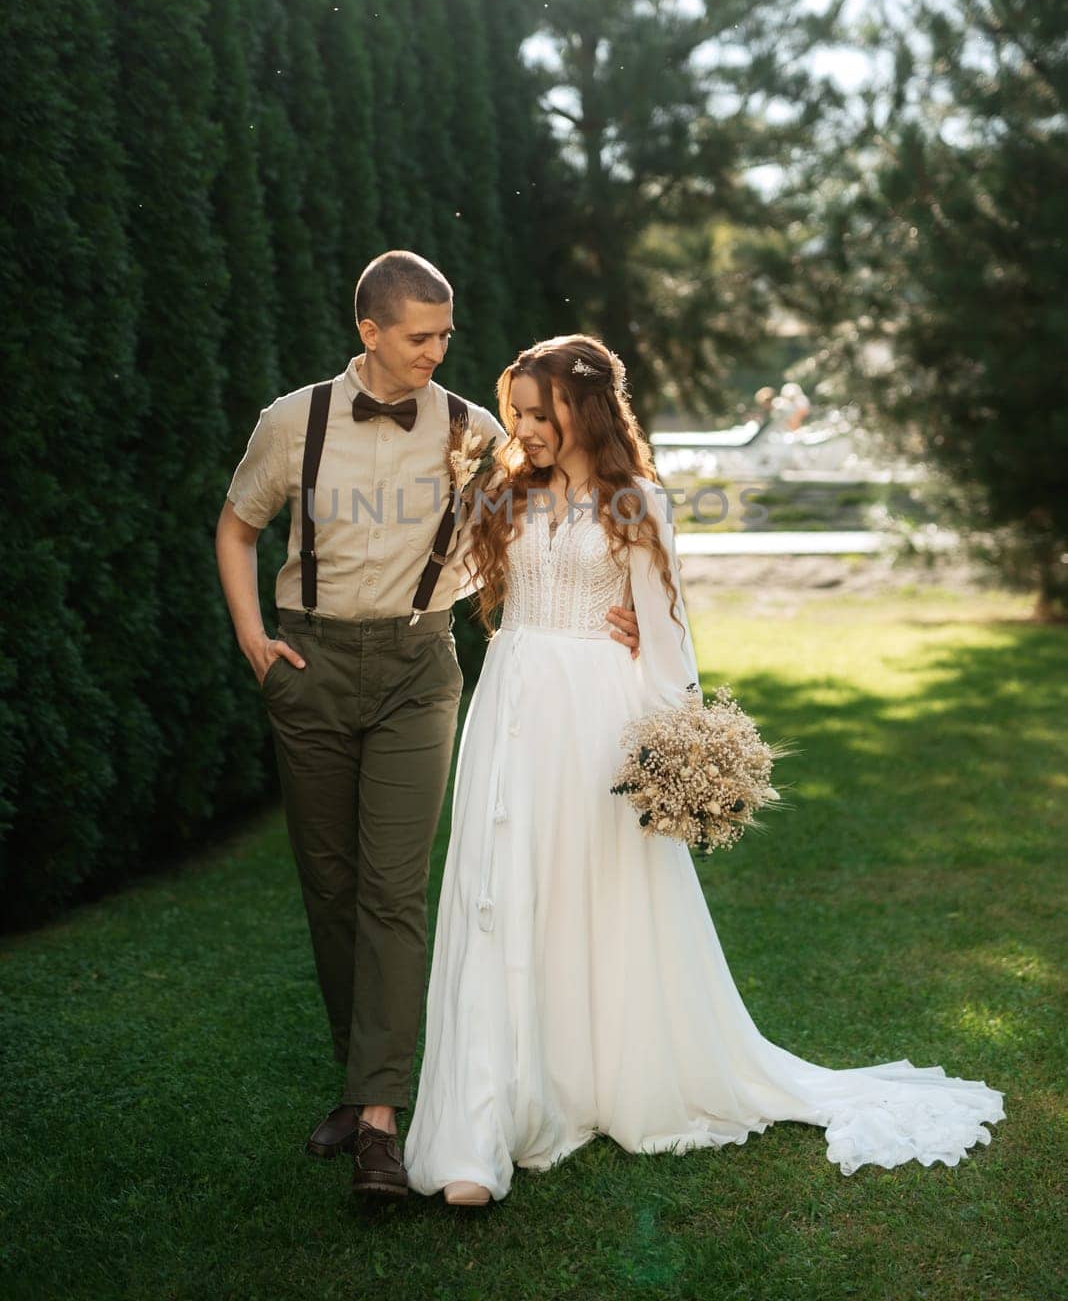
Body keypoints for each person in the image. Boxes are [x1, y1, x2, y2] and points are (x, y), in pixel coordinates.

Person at [403, 333, 1005, 1206]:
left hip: (598, 714)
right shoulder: (504, 490)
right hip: (514, 704)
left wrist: (677, 752)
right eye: (517, 413)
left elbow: (667, 631)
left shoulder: (635, 500)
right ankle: (480, 1124)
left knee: (599, 889)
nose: (524, 428)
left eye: (540, 413)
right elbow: (448, 579)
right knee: (502, 888)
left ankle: (603, 1078)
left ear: (587, 409)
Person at [215, 251, 643, 1196]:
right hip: (311, 662)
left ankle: (378, 1115)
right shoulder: (294, 422)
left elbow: (540, 516)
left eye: (445, 334)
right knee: (328, 884)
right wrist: (254, 639)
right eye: (421, 337)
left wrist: (615, 603)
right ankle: (362, 1071)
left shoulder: (473, 427)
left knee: (393, 886)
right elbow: (237, 527)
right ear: (368, 331)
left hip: (419, 667)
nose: (438, 351)